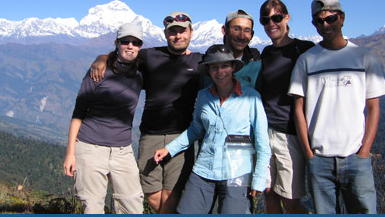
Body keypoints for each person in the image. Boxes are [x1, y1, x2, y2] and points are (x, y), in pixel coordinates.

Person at [89, 12, 202, 213]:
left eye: (182, 31)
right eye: (173, 32)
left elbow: (226, 66)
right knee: (150, 191)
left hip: (182, 136)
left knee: (172, 191)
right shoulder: (150, 56)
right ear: (166, 34)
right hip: (151, 134)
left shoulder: (199, 61)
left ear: (191, 33)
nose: (178, 36)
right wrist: (102, 57)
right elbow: (123, 54)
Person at [288, 0, 385, 214]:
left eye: (330, 19)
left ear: (341, 18)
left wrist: (364, 152)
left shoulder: (363, 58)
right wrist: (309, 153)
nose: (325, 25)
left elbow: (373, 107)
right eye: (319, 21)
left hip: (356, 158)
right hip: (319, 160)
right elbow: (298, 109)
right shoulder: (306, 60)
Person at [153, 44, 271, 214]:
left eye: (224, 66)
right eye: (214, 67)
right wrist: (169, 149)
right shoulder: (203, 96)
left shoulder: (251, 98)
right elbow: (195, 129)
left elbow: (262, 143)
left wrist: (259, 180)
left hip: (237, 172)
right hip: (204, 169)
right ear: (208, 71)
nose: (220, 71)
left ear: (232, 68)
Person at [63, 23, 145, 214]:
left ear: (141, 46)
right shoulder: (97, 72)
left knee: (132, 205)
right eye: (125, 41)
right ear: (117, 43)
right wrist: (70, 152)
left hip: (123, 151)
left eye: (136, 42)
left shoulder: (141, 70)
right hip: (90, 148)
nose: (130, 46)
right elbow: (79, 112)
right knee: (92, 207)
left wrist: (102, 56)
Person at [256, 0, 315, 214]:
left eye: (276, 18)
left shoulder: (305, 49)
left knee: (291, 200)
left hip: (290, 135)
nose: (271, 23)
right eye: (266, 20)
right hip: (264, 132)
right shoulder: (266, 53)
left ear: (287, 18)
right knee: (269, 194)